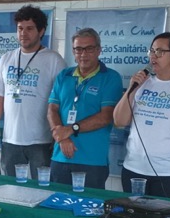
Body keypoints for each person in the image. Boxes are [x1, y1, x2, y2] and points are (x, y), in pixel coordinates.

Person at [113, 32, 170, 199]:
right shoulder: (141, 84)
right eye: (152, 51)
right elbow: (119, 121)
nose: (153, 56)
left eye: (160, 52)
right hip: (133, 170)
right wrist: (131, 88)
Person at [0, 5, 66, 178]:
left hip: (41, 141)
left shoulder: (54, 60)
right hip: (10, 141)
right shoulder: (6, 58)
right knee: (10, 190)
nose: (23, 33)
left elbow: (62, 102)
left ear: (41, 31)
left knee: (42, 190)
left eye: (30, 29)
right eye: (20, 28)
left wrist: (58, 135)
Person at [47, 28, 123, 189]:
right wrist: (62, 137)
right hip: (60, 157)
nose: (83, 54)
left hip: (92, 161)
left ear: (99, 50)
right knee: (56, 208)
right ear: (73, 51)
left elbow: (106, 116)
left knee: (90, 210)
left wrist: (71, 129)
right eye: (78, 49)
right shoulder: (64, 76)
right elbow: (52, 109)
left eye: (89, 48)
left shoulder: (110, 77)